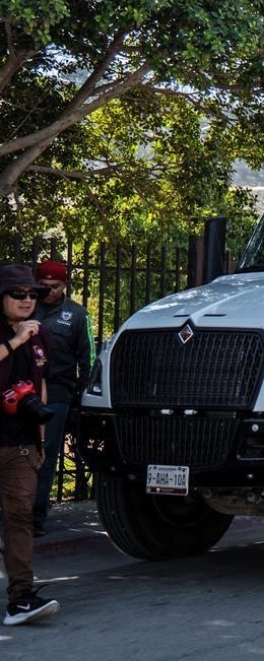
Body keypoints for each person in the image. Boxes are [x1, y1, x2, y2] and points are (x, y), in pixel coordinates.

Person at [0, 264, 60, 625]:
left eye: (32, 294)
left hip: (21, 443)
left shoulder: (42, 335)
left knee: (20, 517)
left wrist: (40, 440)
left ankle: (21, 598)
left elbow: (40, 385)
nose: (27, 301)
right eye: (18, 294)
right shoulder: (20, 335)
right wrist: (14, 341)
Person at [31, 260, 93, 537]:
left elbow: (87, 357)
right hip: (24, 391)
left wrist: (81, 393)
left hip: (57, 392)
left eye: (54, 287)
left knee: (45, 455)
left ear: (64, 285)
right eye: (43, 287)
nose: (48, 292)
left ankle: (36, 516)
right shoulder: (26, 308)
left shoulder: (76, 314)